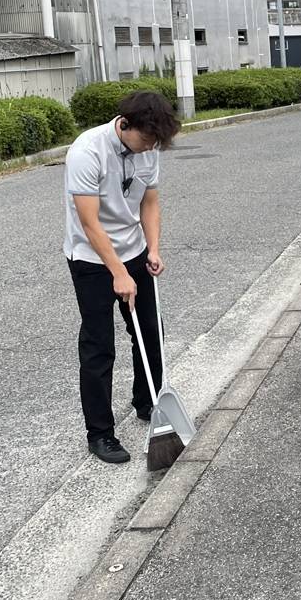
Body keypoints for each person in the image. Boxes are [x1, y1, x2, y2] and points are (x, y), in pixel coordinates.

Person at [64, 90, 181, 463]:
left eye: (156, 143)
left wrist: (154, 248)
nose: (151, 147)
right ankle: (100, 434)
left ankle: (149, 402)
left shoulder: (148, 149)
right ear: (125, 124)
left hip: (134, 251)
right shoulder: (88, 151)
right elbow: (89, 222)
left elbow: (149, 201)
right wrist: (118, 273)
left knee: (150, 331)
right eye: (146, 139)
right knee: (99, 345)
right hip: (91, 259)